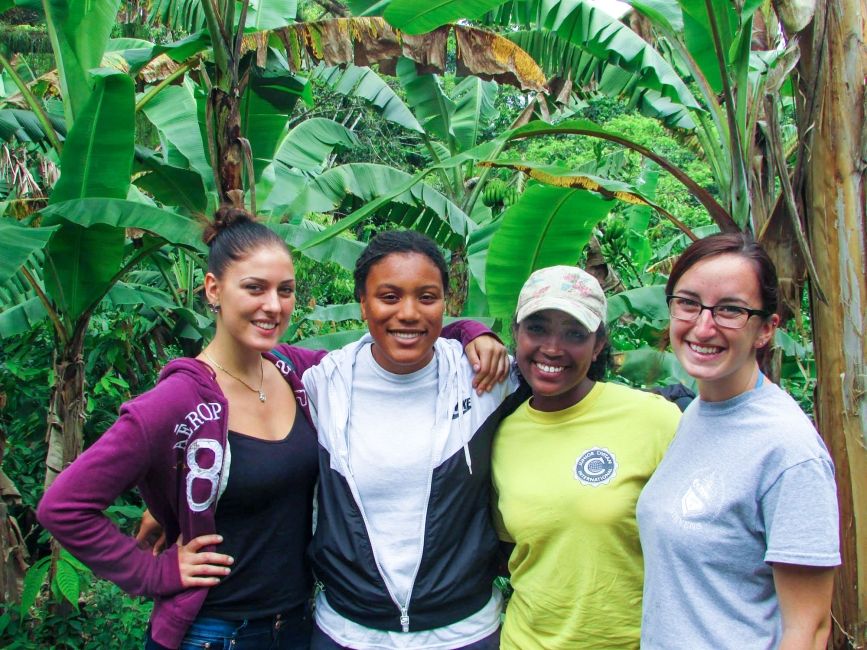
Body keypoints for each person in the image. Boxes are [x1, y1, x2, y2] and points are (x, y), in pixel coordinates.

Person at [36, 211, 506, 650]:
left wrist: (471, 331)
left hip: (296, 623)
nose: (272, 305)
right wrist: (152, 572)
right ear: (213, 289)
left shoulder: (297, 373)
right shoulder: (173, 402)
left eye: (285, 290)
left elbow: (399, 339)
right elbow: (64, 505)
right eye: (255, 288)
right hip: (215, 630)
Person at [302, 230, 517, 650]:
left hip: (464, 631)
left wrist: (471, 331)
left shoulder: (487, 379)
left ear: (445, 303)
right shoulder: (322, 383)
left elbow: (562, 379)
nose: (409, 313)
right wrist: (173, 502)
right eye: (389, 296)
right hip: (348, 632)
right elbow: (236, 383)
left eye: (426, 296)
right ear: (363, 303)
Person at [636, 233, 840, 649]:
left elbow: (810, 629)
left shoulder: (787, 451)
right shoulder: (699, 412)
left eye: (730, 309)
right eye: (688, 302)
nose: (703, 325)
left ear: (765, 329)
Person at [488, 265, 681, 649]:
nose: (553, 348)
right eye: (537, 328)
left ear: (597, 346)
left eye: (575, 333)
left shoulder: (654, 419)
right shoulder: (502, 433)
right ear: (516, 333)